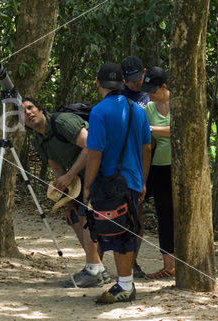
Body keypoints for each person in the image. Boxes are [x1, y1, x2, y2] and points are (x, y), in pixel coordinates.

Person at [22, 98, 109, 287]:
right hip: (80, 177)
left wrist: (70, 176)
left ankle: (94, 270)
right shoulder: (39, 140)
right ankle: (97, 268)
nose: (28, 113)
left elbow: (91, 146)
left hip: (102, 170)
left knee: (88, 218)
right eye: (23, 112)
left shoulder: (62, 122)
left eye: (30, 108)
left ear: (40, 109)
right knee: (75, 218)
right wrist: (69, 201)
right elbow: (57, 169)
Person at [83, 62, 151, 303]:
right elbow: (146, 148)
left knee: (114, 229)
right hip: (132, 181)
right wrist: (142, 181)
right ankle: (124, 283)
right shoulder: (138, 110)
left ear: (98, 83)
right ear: (122, 83)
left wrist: (87, 185)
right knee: (128, 229)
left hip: (109, 182)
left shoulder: (99, 112)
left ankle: (125, 285)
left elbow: (95, 153)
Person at [141, 66, 175, 279]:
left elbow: (178, 129)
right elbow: (148, 142)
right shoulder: (148, 110)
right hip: (158, 169)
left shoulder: (180, 104)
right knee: (164, 214)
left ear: (164, 86)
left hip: (179, 170)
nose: (149, 94)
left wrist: (152, 129)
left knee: (181, 213)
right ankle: (169, 265)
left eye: (153, 89)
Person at [120, 55, 149, 278]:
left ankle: (134, 261)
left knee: (138, 218)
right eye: (131, 80)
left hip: (144, 164)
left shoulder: (149, 97)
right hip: (122, 166)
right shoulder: (118, 98)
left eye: (138, 78)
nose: (135, 83)